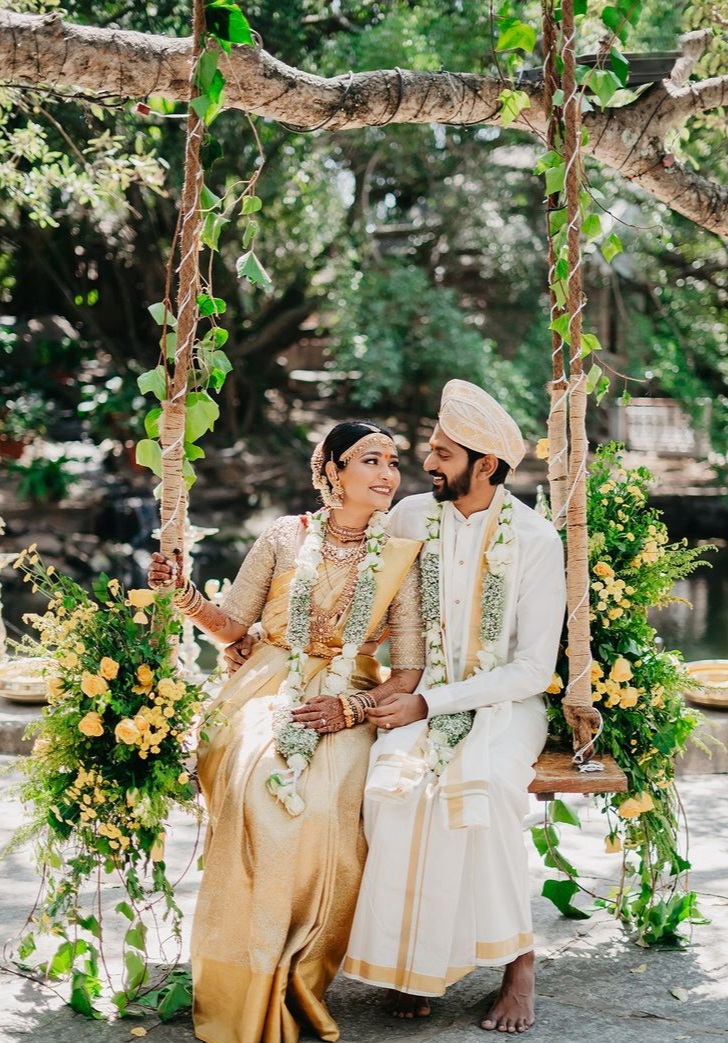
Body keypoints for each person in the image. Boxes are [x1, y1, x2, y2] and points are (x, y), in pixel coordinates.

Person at [147, 420, 425, 1043]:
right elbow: (236, 627)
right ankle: (240, 975)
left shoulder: (404, 556)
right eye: (370, 461)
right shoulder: (282, 537)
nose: (387, 475)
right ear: (331, 471)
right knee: (255, 785)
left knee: (329, 805)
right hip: (265, 686)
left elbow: (408, 672)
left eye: (392, 462)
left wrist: (351, 710)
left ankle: (302, 975)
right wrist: (184, 595)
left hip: (350, 697)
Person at [342, 380, 567, 1034]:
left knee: (488, 788)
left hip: (504, 707)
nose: (428, 463)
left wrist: (431, 702)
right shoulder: (411, 517)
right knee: (391, 790)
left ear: (487, 466)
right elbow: (367, 609)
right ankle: (414, 965)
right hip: (416, 695)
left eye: (442, 452)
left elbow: (532, 669)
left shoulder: (535, 540)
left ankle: (518, 963)